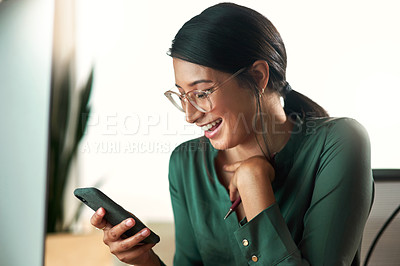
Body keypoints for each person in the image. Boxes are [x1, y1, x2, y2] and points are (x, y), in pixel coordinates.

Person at [90, 3, 374, 265]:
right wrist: (145, 260)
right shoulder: (186, 163)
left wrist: (253, 183)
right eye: (182, 96)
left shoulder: (340, 142)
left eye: (201, 93)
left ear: (258, 76)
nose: (190, 115)